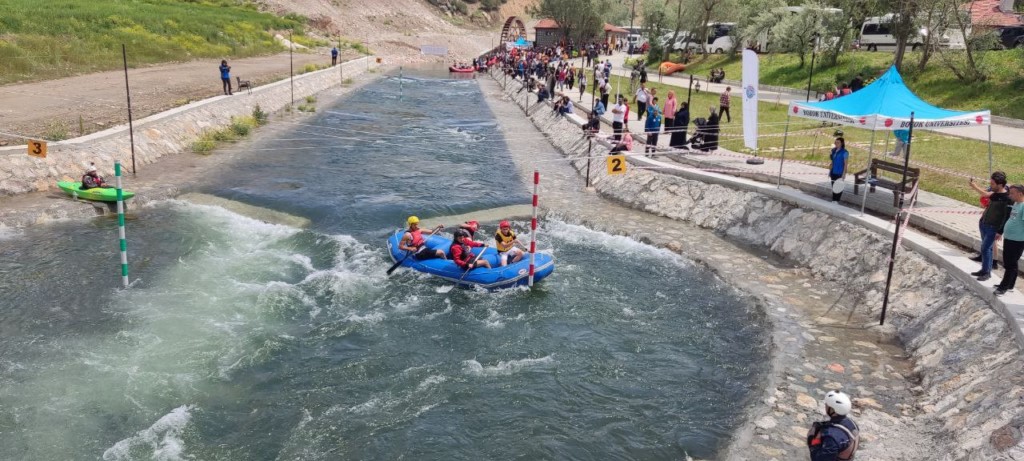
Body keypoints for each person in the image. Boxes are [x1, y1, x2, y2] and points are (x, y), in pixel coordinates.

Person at [970, 172, 1012, 281]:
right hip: (984, 224)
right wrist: (974, 186)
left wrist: (1000, 231)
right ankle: (984, 269)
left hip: (993, 228)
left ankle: (987, 272)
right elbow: (985, 194)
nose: (990, 186)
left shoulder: (1007, 198)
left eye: (993, 184)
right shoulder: (994, 194)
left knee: (985, 248)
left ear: (1000, 184)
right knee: (985, 248)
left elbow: (1006, 217)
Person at [807, 391, 860, 461]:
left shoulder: (831, 437)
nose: (825, 406)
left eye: (827, 405)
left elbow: (818, 459)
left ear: (832, 409)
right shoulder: (851, 423)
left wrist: (812, 441)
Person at [995, 184, 1024, 295]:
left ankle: (1004, 286)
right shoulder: (1016, 203)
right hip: (1009, 238)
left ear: (1020, 194)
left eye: (1012, 193)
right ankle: (1010, 284)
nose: (1009, 195)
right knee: (1011, 262)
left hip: (1017, 240)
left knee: (1010, 264)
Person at [829, 137, 849, 202]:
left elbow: (845, 164)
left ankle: (837, 200)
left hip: (840, 172)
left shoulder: (845, 152)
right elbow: (832, 161)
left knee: (838, 187)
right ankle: (833, 200)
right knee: (833, 187)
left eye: (838, 142)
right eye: (835, 142)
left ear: (842, 143)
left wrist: (844, 174)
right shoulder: (833, 150)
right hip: (833, 171)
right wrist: (830, 170)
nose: (836, 144)